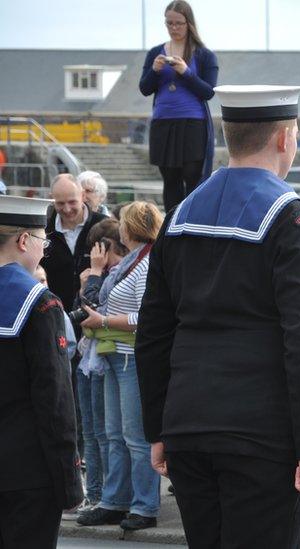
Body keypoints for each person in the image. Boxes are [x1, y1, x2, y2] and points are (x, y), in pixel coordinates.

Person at [135, 85, 300, 548]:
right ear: (286, 138)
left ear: (228, 134)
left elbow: (154, 333)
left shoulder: (180, 214)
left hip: (188, 422)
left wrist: (158, 427)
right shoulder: (294, 218)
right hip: (263, 432)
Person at [0, 195, 84, 548]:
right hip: (25, 472)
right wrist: (68, 479)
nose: (44, 251)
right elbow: (54, 400)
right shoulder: (38, 303)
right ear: (23, 241)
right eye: (42, 242)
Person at [75, 202, 163, 531]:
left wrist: (104, 320)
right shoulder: (130, 261)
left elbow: (148, 317)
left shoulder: (148, 263)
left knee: (135, 437)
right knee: (114, 434)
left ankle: (144, 506)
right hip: (115, 353)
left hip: (131, 356)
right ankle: (114, 500)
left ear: (131, 228)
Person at [139, 0, 218, 212]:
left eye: (178, 23)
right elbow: (145, 89)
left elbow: (209, 91)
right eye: (169, 23)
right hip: (163, 122)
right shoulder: (155, 52)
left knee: (193, 175)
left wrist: (186, 72)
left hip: (193, 122)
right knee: (170, 178)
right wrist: (154, 71)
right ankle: (171, 226)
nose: (174, 28)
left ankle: (192, 222)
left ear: (189, 23)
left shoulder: (204, 55)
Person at [72, 218, 127, 514]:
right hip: (88, 360)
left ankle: (106, 494)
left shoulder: (111, 274)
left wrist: (92, 276)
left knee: (105, 434)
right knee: (91, 432)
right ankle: (94, 494)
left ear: (102, 248)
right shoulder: (98, 275)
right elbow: (79, 313)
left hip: (106, 361)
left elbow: (92, 309)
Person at [42, 174, 108, 316]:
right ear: (51, 198)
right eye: (60, 203)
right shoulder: (43, 229)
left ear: (83, 196)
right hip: (54, 312)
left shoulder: (103, 226)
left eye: (72, 202)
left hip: (95, 312)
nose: (67, 209)